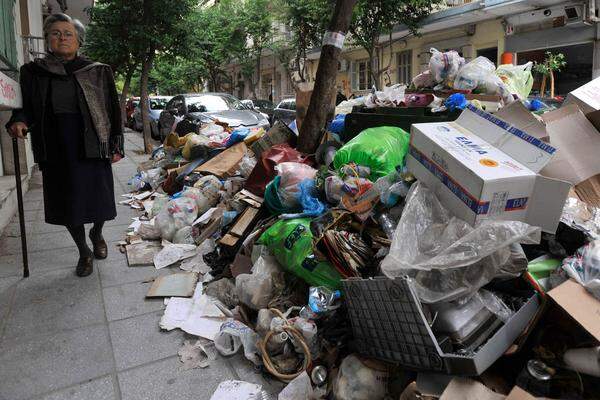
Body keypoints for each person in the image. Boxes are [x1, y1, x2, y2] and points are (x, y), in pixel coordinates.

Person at [6, 13, 124, 277]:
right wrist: (19, 121)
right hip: (56, 145)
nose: (62, 38)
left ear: (78, 41)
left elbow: (112, 110)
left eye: (68, 33)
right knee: (68, 203)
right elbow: (25, 108)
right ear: (48, 39)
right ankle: (83, 251)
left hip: (93, 142)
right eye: (56, 33)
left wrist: (117, 144)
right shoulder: (33, 73)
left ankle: (97, 232)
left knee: (99, 199)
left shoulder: (96, 70)